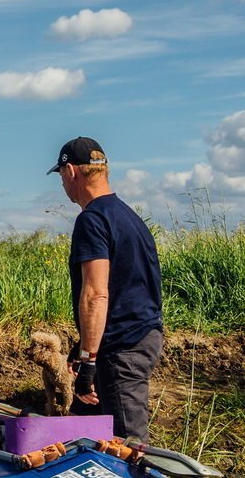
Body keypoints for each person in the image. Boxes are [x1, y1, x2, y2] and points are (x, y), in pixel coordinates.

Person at [48, 136, 163, 442]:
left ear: (71, 171)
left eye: (60, 177)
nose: (62, 185)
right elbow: (128, 285)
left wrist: (89, 360)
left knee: (127, 444)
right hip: (132, 336)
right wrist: (83, 348)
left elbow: (96, 294)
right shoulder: (129, 218)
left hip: (122, 346)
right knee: (83, 432)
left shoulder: (92, 220)